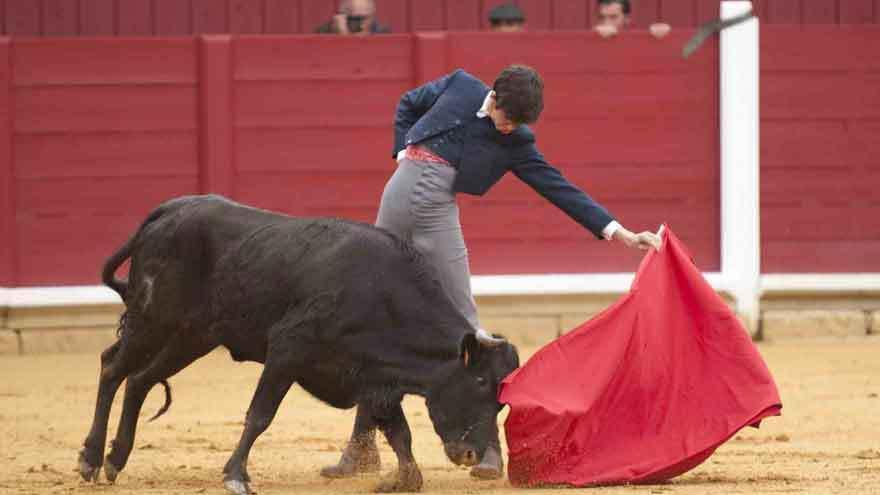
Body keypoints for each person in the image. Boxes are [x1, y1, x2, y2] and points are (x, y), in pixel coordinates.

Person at [320, 65, 661, 481]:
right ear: (494, 97)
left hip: (434, 215)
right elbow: (408, 103)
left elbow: (557, 186)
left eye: (518, 123)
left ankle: (488, 449)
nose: (509, 128)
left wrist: (618, 232)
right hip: (395, 197)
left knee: (467, 326)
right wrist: (400, 151)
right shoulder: (460, 86)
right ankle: (362, 445)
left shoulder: (516, 140)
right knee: (375, 323)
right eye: (508, 117)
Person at [595, 0, 671, 39]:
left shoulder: (636, 37)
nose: (606, 23)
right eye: (602, 17)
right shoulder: (593, 37)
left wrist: (663, 33)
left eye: (613, 17)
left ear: (627, 19)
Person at [315, 0, 390, 35]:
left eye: (362, 18)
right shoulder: (323, 32)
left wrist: (345, 35)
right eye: (352, 19)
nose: (359, 23)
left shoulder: (383, 33)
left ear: (372, 16)